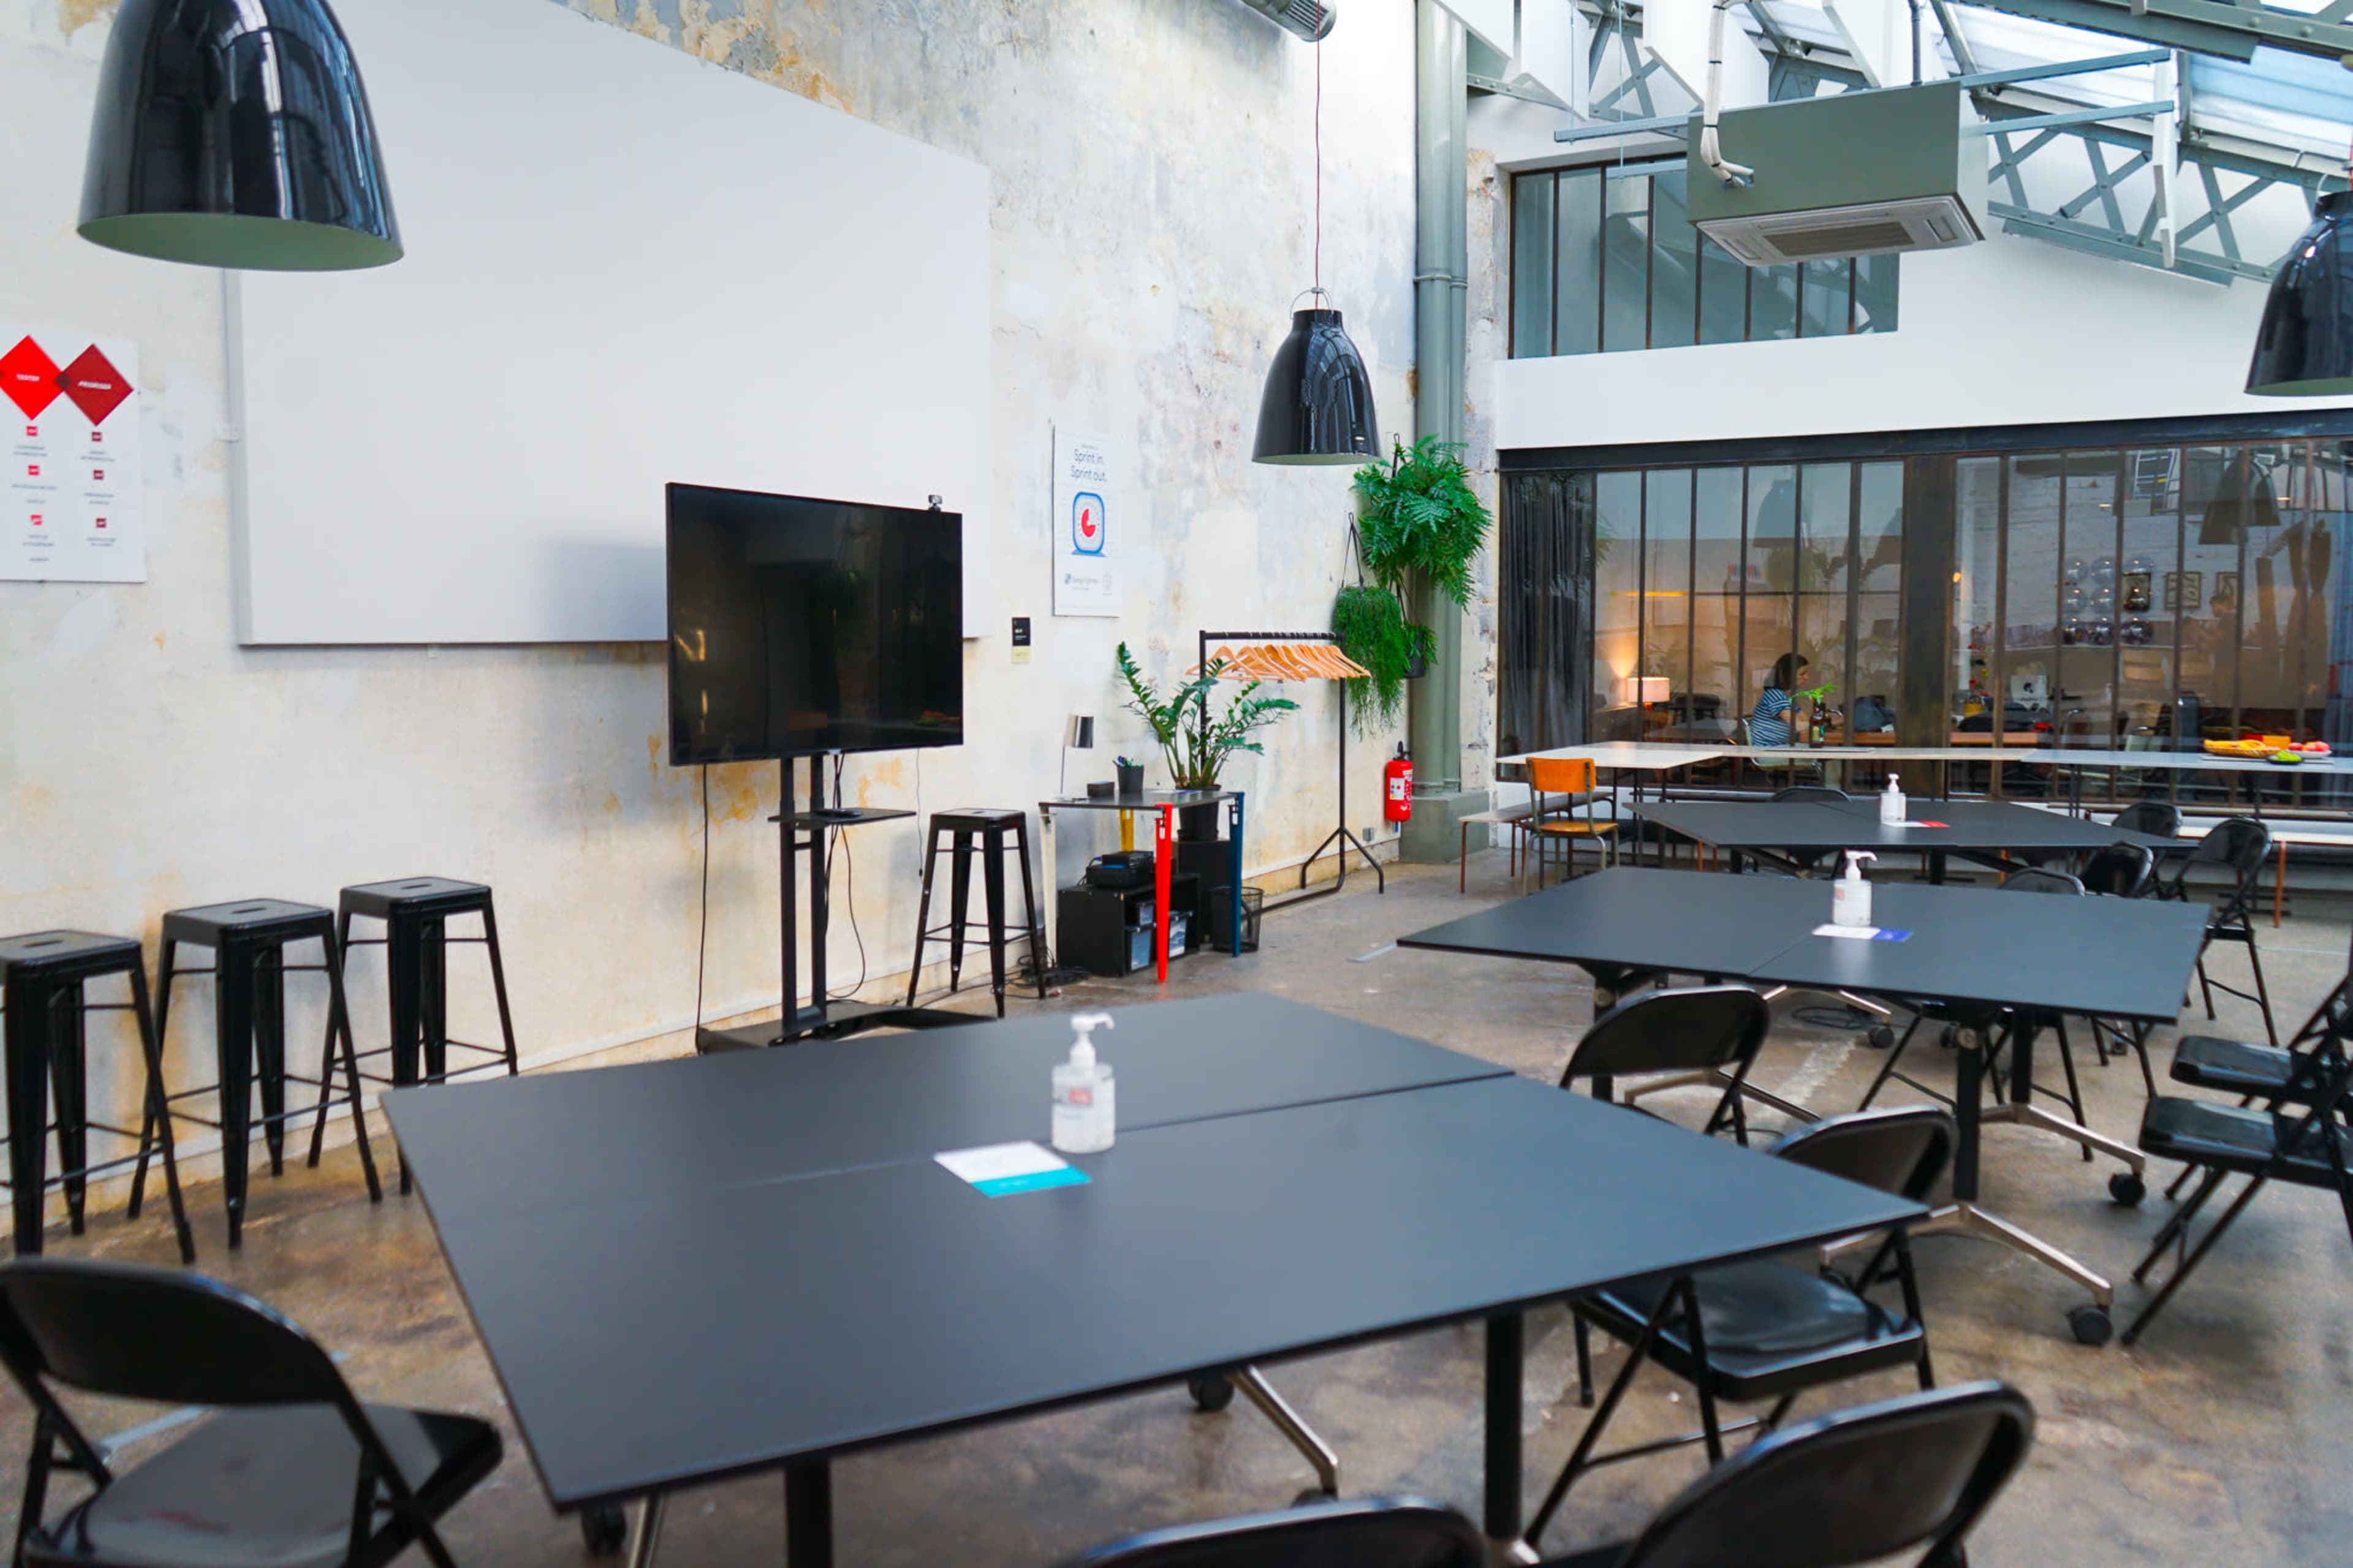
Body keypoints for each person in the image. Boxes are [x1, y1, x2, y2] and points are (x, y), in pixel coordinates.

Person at [1751, 653, 1808, 748]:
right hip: (1768, 748)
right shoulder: (1775, 695)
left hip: (1780, 746)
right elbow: (1798, 725)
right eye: (1802, 674)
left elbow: (1805, 720)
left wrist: (1820, 724)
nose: (1806, 678)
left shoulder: (1787, 697)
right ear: (1788, 675)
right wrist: (1821, 725)